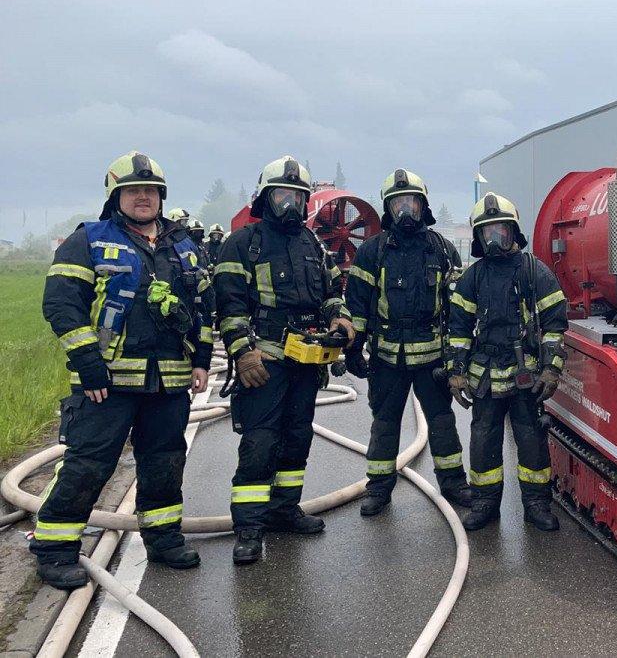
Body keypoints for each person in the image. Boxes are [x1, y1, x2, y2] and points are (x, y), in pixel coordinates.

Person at [33, 151, 212, 589]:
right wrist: (88, 364)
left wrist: (202, 360)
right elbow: (61, 304)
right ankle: (55, 548)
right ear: (116, 196)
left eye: (150, 190)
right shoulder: (88, 240)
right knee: (89, 464)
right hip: (106, 383)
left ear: (162, 196)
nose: (143, 197)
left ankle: (164, 539)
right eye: (133, 191)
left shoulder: (184, 248)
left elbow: (203, 308)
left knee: (165, 462)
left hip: (169, 381)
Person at [213, 156, 354, 565]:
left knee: (297, 437)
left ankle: (284, 509)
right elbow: (229, 305)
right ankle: (249, 527)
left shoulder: (312, 244)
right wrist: (242, 352)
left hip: (305, 359)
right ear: (265, 198)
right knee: (260, 442)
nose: (289, 204)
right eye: (282, 195)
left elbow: (331, 291)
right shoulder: (243, 243)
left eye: (296, 196)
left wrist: (339, 317)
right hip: (264, 358)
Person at [345, 169, 470, 516]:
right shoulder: (372, 252)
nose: (404, 210)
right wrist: (354, 350)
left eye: (411, 203)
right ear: (388, 208)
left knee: (441, 422)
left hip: (432, 358)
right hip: (387, 357)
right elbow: (357, 306)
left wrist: (456, 360)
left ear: (422, 206)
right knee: (385, 424)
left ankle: (453, 483)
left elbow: (457, 311)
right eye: (397, 203)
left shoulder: (442, 250)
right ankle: (378, 489)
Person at [447, 193, 567, 531]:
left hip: (524, 375)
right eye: (488, 232)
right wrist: (456, 373)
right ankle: (485, 503)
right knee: (483, 441)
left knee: (531, 441)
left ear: (513, 231)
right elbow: (458, 330)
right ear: (479, 237)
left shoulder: (534, 272)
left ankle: (536, 505)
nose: (495, 239)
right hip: (484, 377)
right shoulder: (473, 277)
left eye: (501, 230)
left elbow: (555, 326)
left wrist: (551, 369)